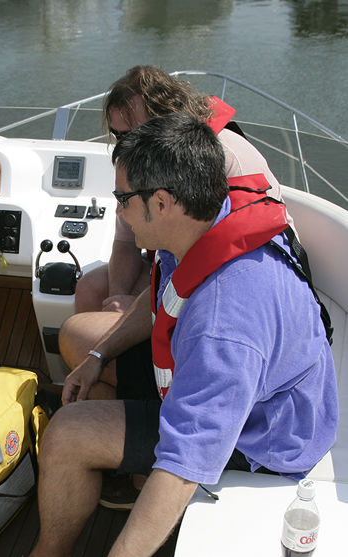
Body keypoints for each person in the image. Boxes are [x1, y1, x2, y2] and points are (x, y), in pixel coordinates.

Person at [0, 114, 338, 557]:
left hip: (264, 440)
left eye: (122, 199)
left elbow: (189, 460)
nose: (116, 211)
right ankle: (121, 485)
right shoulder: (206, 217)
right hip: (230, 383)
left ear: (160, 202)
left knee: (67, 432)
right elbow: (167, 289)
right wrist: (98, 356)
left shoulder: (224, 322)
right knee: (80, 364)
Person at [59, 65, 292, 508]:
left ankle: (128, 456)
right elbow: (129, 244)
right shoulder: (144, 168)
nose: (123, 144)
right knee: (92, 292)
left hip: (203, 316)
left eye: (132, 132)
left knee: (76, 335)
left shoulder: (208, 165)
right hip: (177, 289)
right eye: (116, 134)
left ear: (168, 118)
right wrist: (118, 300)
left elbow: (206, 276)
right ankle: (117, 458)